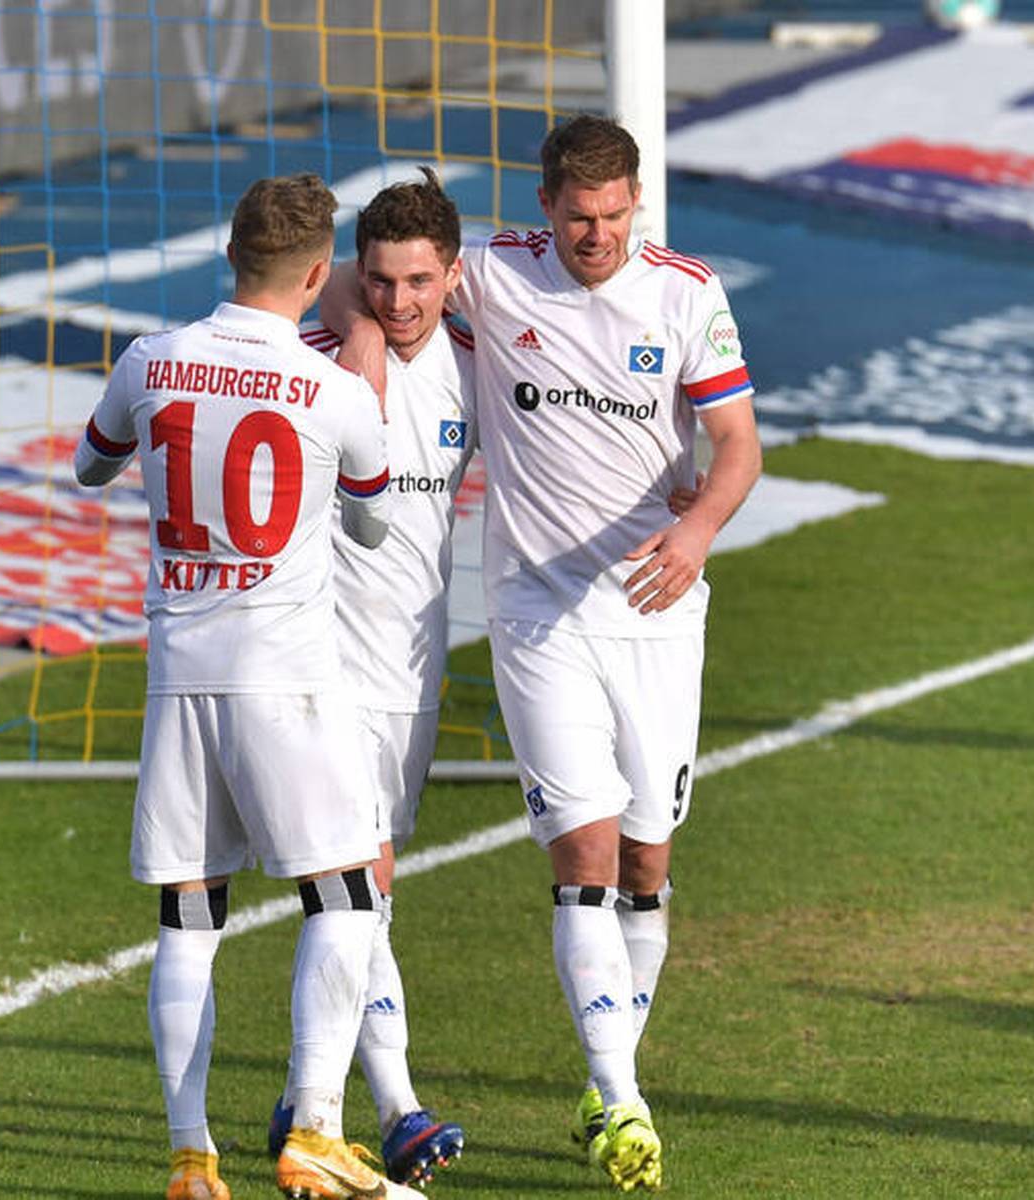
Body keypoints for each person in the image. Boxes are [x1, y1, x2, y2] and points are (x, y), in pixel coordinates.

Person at [323, 116, 762, 1194]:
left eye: (614, 216)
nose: (597, 235)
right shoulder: (496, 272)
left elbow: (738, 445)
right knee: (586, 853)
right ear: (546, 207)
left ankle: (612, 1078)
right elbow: (349, 277)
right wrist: (366, 336)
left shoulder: (686, 295)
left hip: (656, 611)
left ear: (637, 203)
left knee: (648, 863)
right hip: (537, 615)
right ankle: (619, 1097)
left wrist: (697, 531)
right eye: (578, 217)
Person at [74, 172, 421, 1200]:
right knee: (346, 896)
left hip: (180, 680)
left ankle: (192, 1159)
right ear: (320, 276)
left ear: (230, 256)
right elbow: (372, 525)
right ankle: (314, 1127)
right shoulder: (337, 392)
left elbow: (92, 465)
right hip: (287, 680)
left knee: (189, 918)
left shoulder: (150, 360)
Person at [267, 167, 474, 1186]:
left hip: (414, 670)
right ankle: (387, 1112)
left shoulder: (480, 361)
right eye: (378, 281)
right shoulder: (318, 366)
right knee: (360, 885)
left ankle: (307, 1101)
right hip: (323, 667)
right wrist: (348, 327)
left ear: (452, 277)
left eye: (418, 282)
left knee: (363, 902)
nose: (397, 302)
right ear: (354, 271)